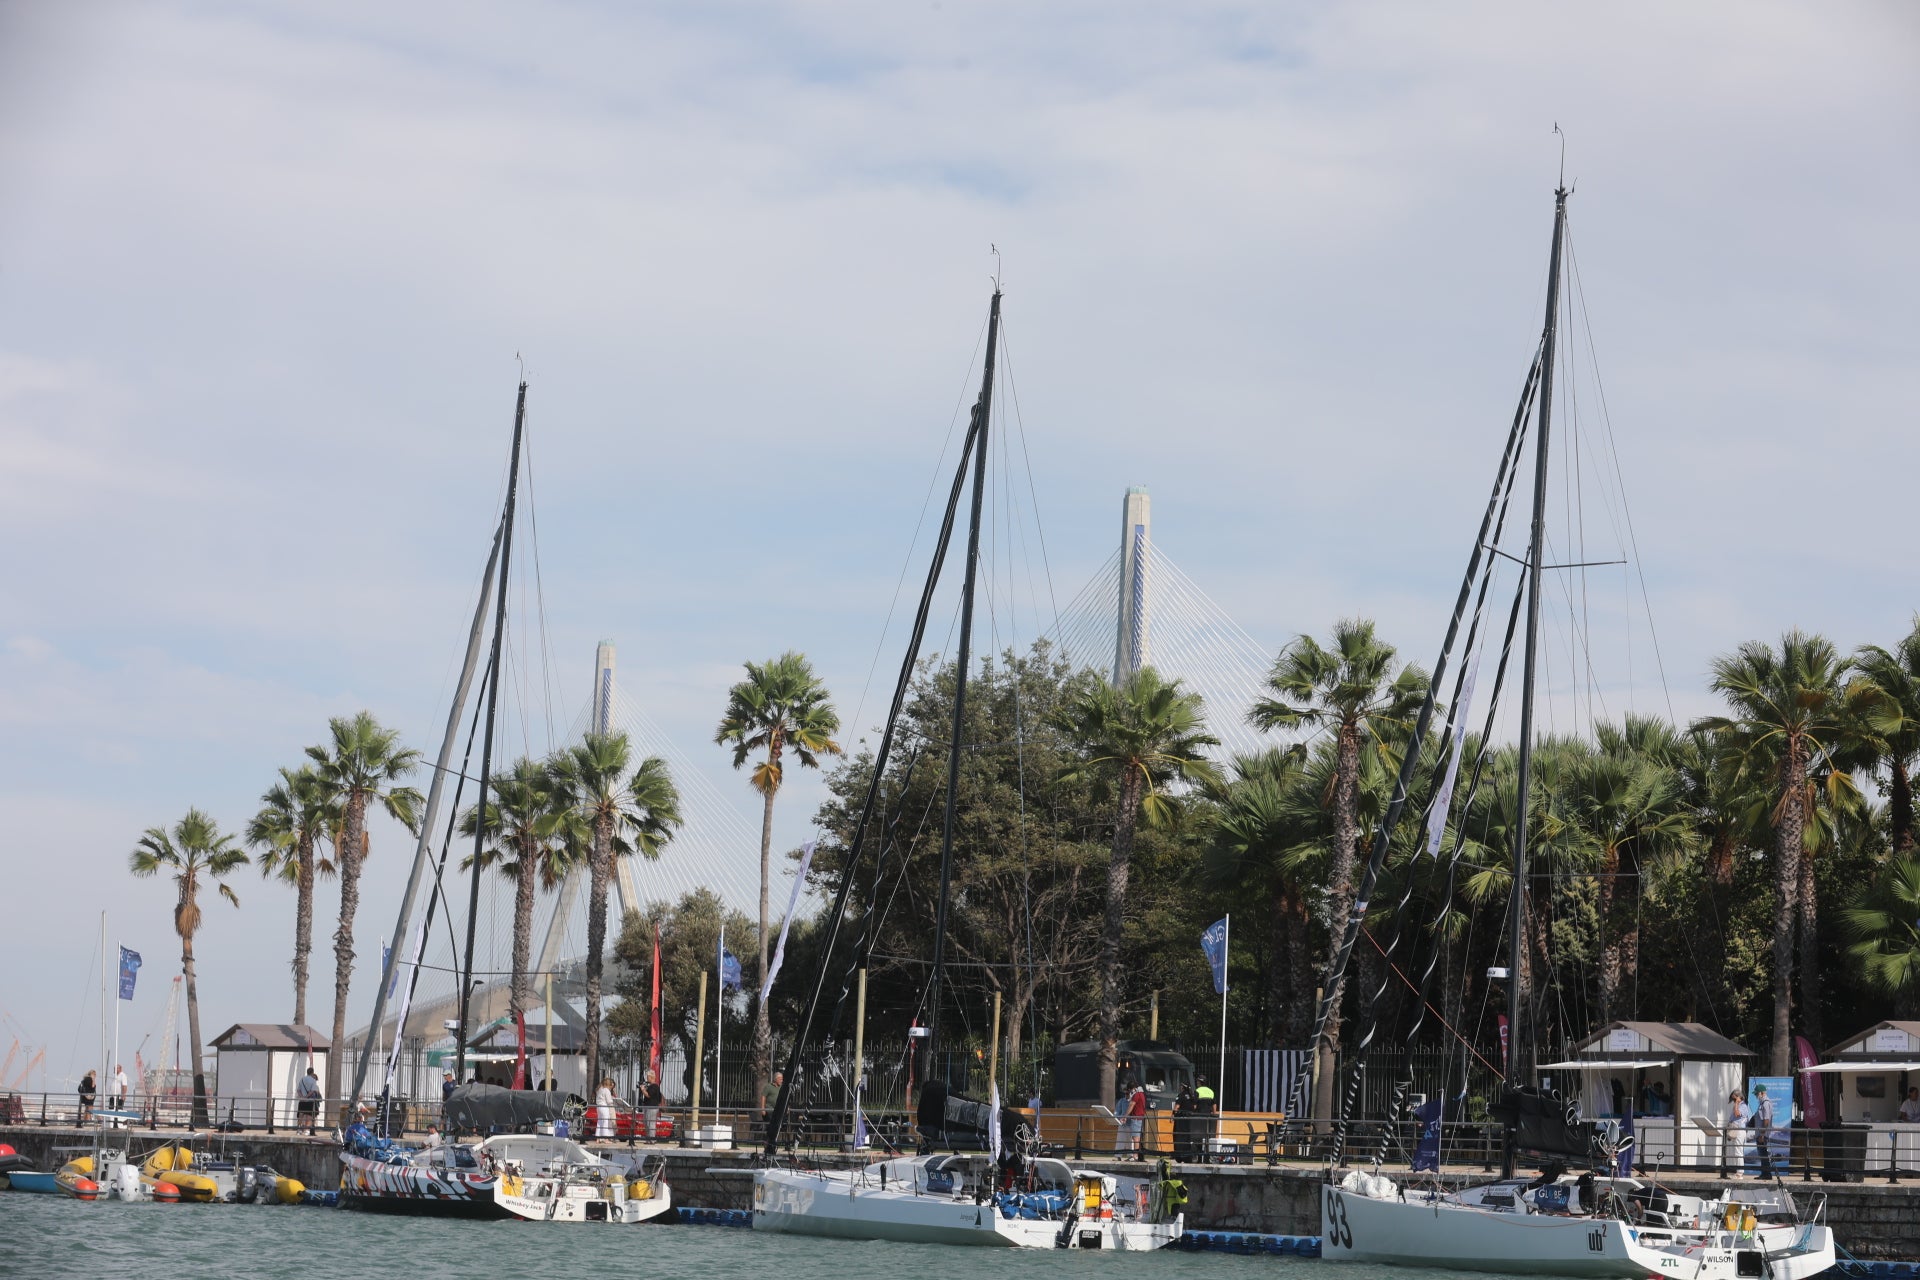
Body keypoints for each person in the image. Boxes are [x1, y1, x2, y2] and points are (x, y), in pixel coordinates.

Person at [1751, 1085, 1777, 1180]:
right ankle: (1764, 1173)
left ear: (1761, 1093)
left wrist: (1762, 1134)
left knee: (1763, 1154)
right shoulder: (1762, 1103)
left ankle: (1766, 1174)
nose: (1756, 1096)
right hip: (1760, 1134)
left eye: (1756, 1094)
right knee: (1762, 1154)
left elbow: (1766, 1120)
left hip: (1763, 1134)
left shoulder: (1765, 1103)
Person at [1122, 1082, 1148, 1159]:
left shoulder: (1136, 1095)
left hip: (1136, 1118)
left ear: (1131, 1089)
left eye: (1129, 1091)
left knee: (1135, 1138)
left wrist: (1125, 1116)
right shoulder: (1142, 1094)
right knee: (1137, 1137)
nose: (1129, 1093)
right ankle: (1136, 1154)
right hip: (1140, 1117)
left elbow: (1131, 1105)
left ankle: (1135, 1155)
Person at [297, 1066, 322, 1135]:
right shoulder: (313, 1080)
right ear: (312, 1073)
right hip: (310, 1101)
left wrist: (302, 1097)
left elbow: (298, 1090)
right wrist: (306, 1097)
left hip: (302, 1101)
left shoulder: (302, 1079)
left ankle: (299, 1130)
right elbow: (312, 1091)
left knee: (301, 1115)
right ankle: (306, 1130)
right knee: (309, 1115)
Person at [640, 1070, 663, 1141]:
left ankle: (652, 1139)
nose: (647, 1078)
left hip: (652, 1107)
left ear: (651, 1077)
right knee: (647, 1123)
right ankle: (648, 1139)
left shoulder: (654, 1086)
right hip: (649, 1107)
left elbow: (648, 1095)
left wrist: (643, 1090)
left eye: (648, 1077)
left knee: (651, 1123)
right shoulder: (652, 1086)